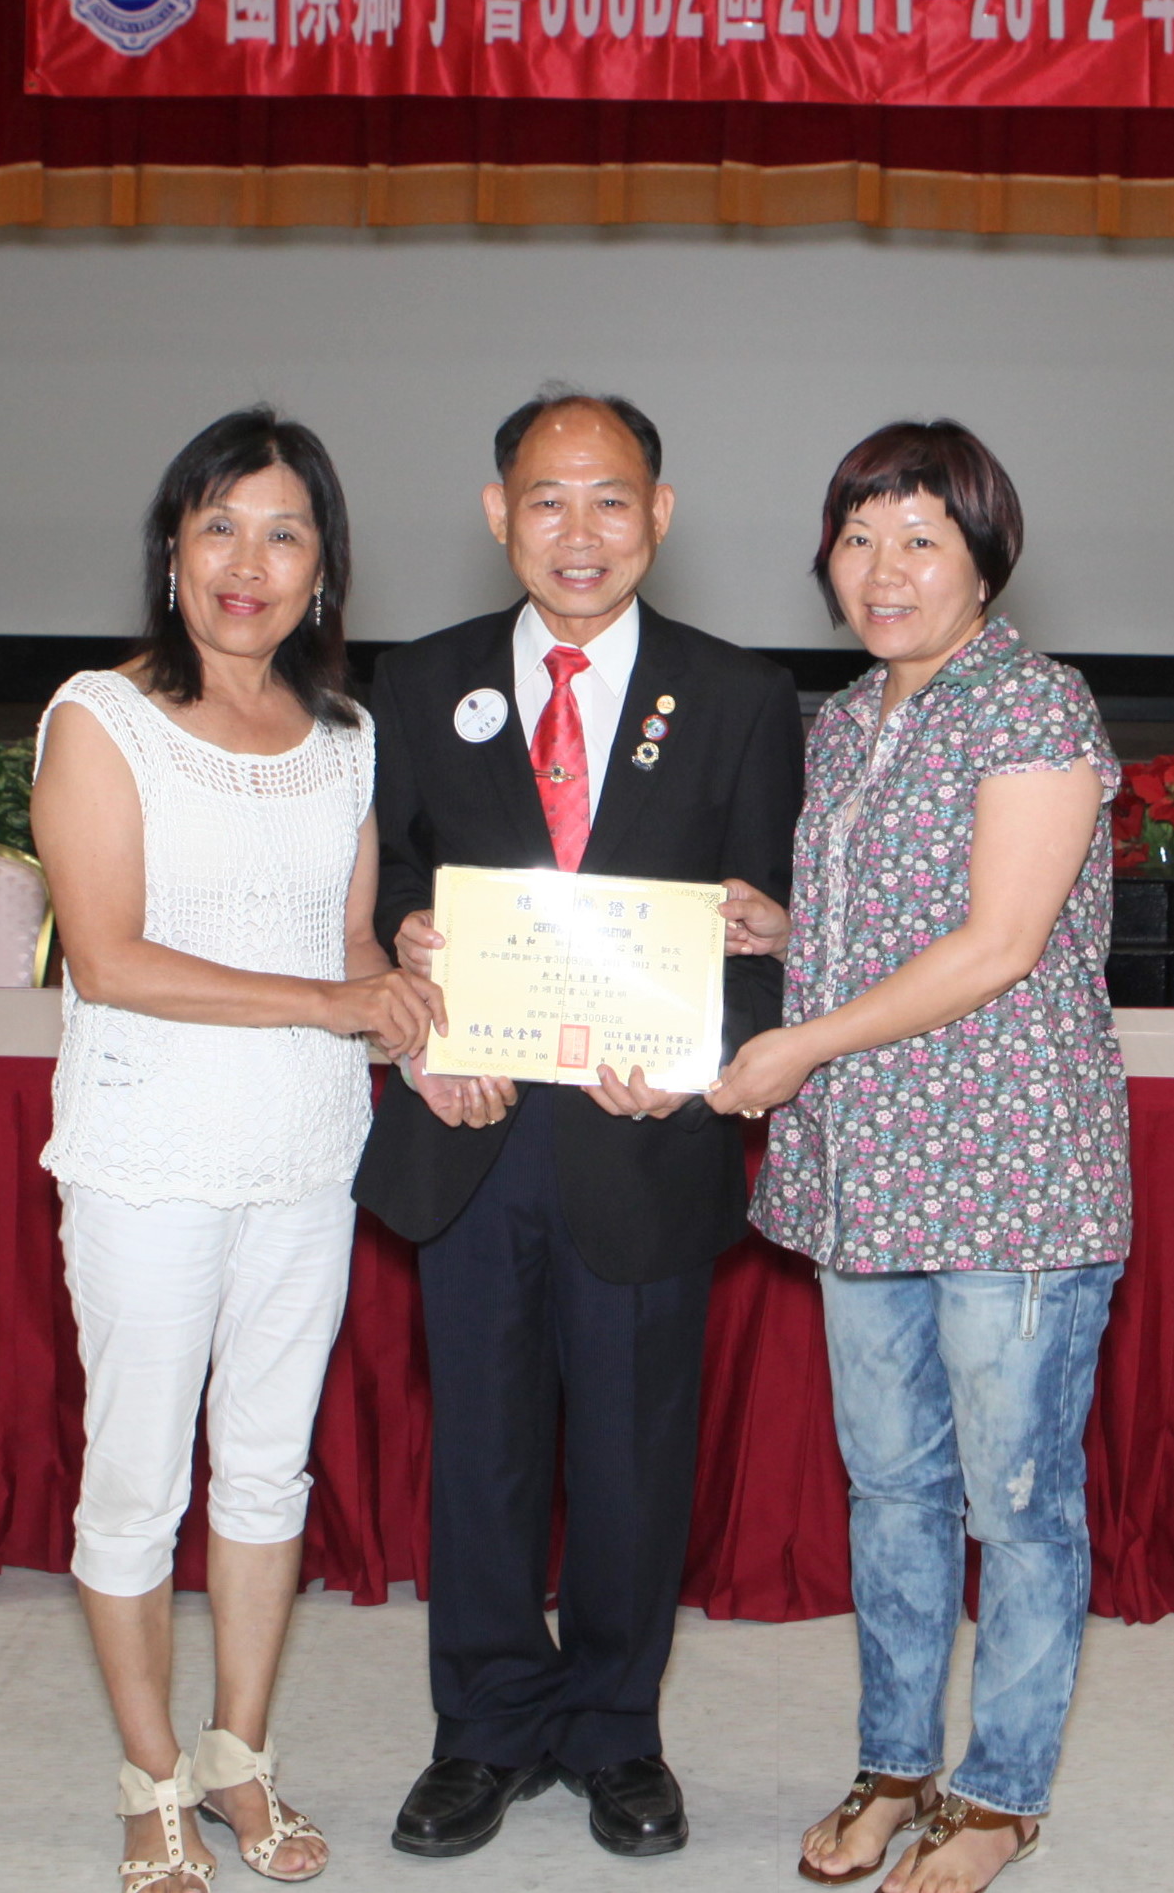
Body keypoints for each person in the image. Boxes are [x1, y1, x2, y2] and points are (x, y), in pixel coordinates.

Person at [359, 387, 804, 1861]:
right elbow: (380, 890)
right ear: (499, 513)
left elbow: (771, 935)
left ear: (658, 515)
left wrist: (705, 1056)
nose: (579, 530)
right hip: (471, 1121)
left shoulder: (738, 694)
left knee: (631, 1455)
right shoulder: (418, 682)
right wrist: (406, 961)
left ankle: (617, 1728)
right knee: (480, 1447)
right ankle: (484, 1727)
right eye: (546, 498)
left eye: (611, 498)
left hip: (646, 1133)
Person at [710, 420, 1129, 1893]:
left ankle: (1001, 1790)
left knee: (1016, 1503)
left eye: (919, 541)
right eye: (857, 539)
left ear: (983, 559)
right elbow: (886, 922)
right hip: (865, 1175)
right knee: (889, 1491)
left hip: (1010, 1171)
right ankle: (895, 1760)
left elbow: (999, 942)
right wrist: (780, 931)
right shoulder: (841, 720)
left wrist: (799, 1043)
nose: (881, 571)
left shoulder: (1033, 704)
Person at [30, 409, 437, 1893]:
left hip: (306, 1153)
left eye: (283, 533)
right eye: (218, 527)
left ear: (324, 567)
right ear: (172, 551)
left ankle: (238, 1754)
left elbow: (349, 946)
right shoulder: (102, 718)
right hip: (148, 1155)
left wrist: (424, 1006)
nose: (247, 563)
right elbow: (112, 956)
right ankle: (149, 1779)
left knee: (268, 1472)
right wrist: (336, 998)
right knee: (137, 1477)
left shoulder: (347, 739)